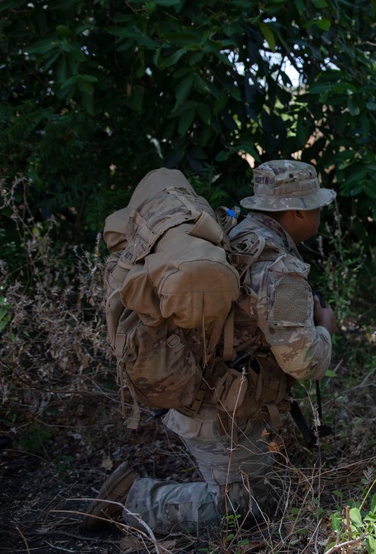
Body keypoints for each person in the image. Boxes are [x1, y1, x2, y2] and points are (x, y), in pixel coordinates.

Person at [84, 160, 339, 535]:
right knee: (251, 510)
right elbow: (303, 361)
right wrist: (325, 328)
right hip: (216, 412)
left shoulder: (237, 233)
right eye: (316, 207)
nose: (319, 214)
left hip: (207, 392)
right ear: (297, 211)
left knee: (280, 484)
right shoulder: (279, 271)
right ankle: (135, 500)